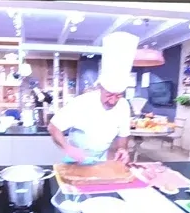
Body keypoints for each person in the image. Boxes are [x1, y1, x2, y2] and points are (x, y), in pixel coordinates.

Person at [49, 31, 139, 164]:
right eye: (109, 95)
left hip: (101, 159)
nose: (113, 101)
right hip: (75, 158)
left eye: (118, 96)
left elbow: (123, 134)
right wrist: (68, 148)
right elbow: (53, 127)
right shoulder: (81, 102)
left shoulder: (124, 105)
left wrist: (122, 149)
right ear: (100, 88)